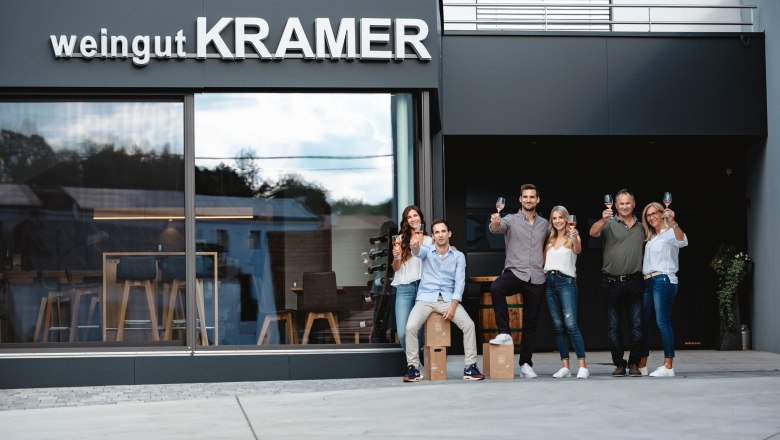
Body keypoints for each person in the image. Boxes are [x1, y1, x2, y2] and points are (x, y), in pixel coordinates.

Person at [402, 219, 484, 382]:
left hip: (447, 299)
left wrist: (453, 306)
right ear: (432, 236)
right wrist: (414, 244)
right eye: (437, 232)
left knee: (469, 325)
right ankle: (414, 368)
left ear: (449, 234)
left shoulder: (458, 256)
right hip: (425, 298)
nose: (440, 235)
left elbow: (460, 283)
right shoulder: (426, 251)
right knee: (410, 327)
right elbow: (416, 251)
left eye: (443, 231)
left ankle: (470, 367)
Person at [487, 183, 548, 379]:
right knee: (496, 287)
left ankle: (526, 364)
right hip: (516, 271)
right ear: (520, 199)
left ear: (537, 200)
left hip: (537, 276)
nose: (529, 200)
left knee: (531, 322)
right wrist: (495, 221)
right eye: (525, 197)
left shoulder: (545, 224)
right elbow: (496, 228)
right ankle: (504, 332)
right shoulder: (510, 220)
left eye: (532, 197)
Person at [589, 189, 645, 377]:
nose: (625, 206)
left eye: (628, 203)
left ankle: (634, 363)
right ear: (615, 205)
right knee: (614, 327)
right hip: (611, 282)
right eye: (621, 203)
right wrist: (603, 220)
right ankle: (619, 364)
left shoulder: (642, 226)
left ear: (634, 204)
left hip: (635, 281)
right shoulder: (609, 223)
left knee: (637, 326)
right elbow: (593, 232)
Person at [638, 202, 688, 377]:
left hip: (664, 280)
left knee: (662, 322)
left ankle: (668, 366)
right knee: (644, 324)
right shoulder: (652, 237)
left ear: (662, 213)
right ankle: (642, 365)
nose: (651, 217)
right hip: (649, 282)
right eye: (648, 215)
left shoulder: (669, 233)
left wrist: (673, 222)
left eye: (654, 213)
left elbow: (683, 241)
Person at [544, 206, 588, 379]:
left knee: (571, 325)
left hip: (566, 282)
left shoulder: (572, 237)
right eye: (554, 218)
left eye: (560, 217)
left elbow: (578, 250)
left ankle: (583, 366)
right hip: (549, 283)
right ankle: (565, 367)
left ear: (566, 218)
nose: (557, 221)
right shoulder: (549, 240)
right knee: (558, 326)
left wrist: (576, 236)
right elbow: (543, 262)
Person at [391, 205, 431, 351]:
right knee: (402, 332)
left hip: (423, 288)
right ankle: (414, 363)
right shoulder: (400, 239)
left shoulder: (429, 240)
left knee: (417, 331)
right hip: (404, 288)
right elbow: (395, 268)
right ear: (406, 221)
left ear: (420, 217)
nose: (413, 219)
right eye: (409, 217)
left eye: (415, 215)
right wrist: (397, 257)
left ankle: (415, 366)